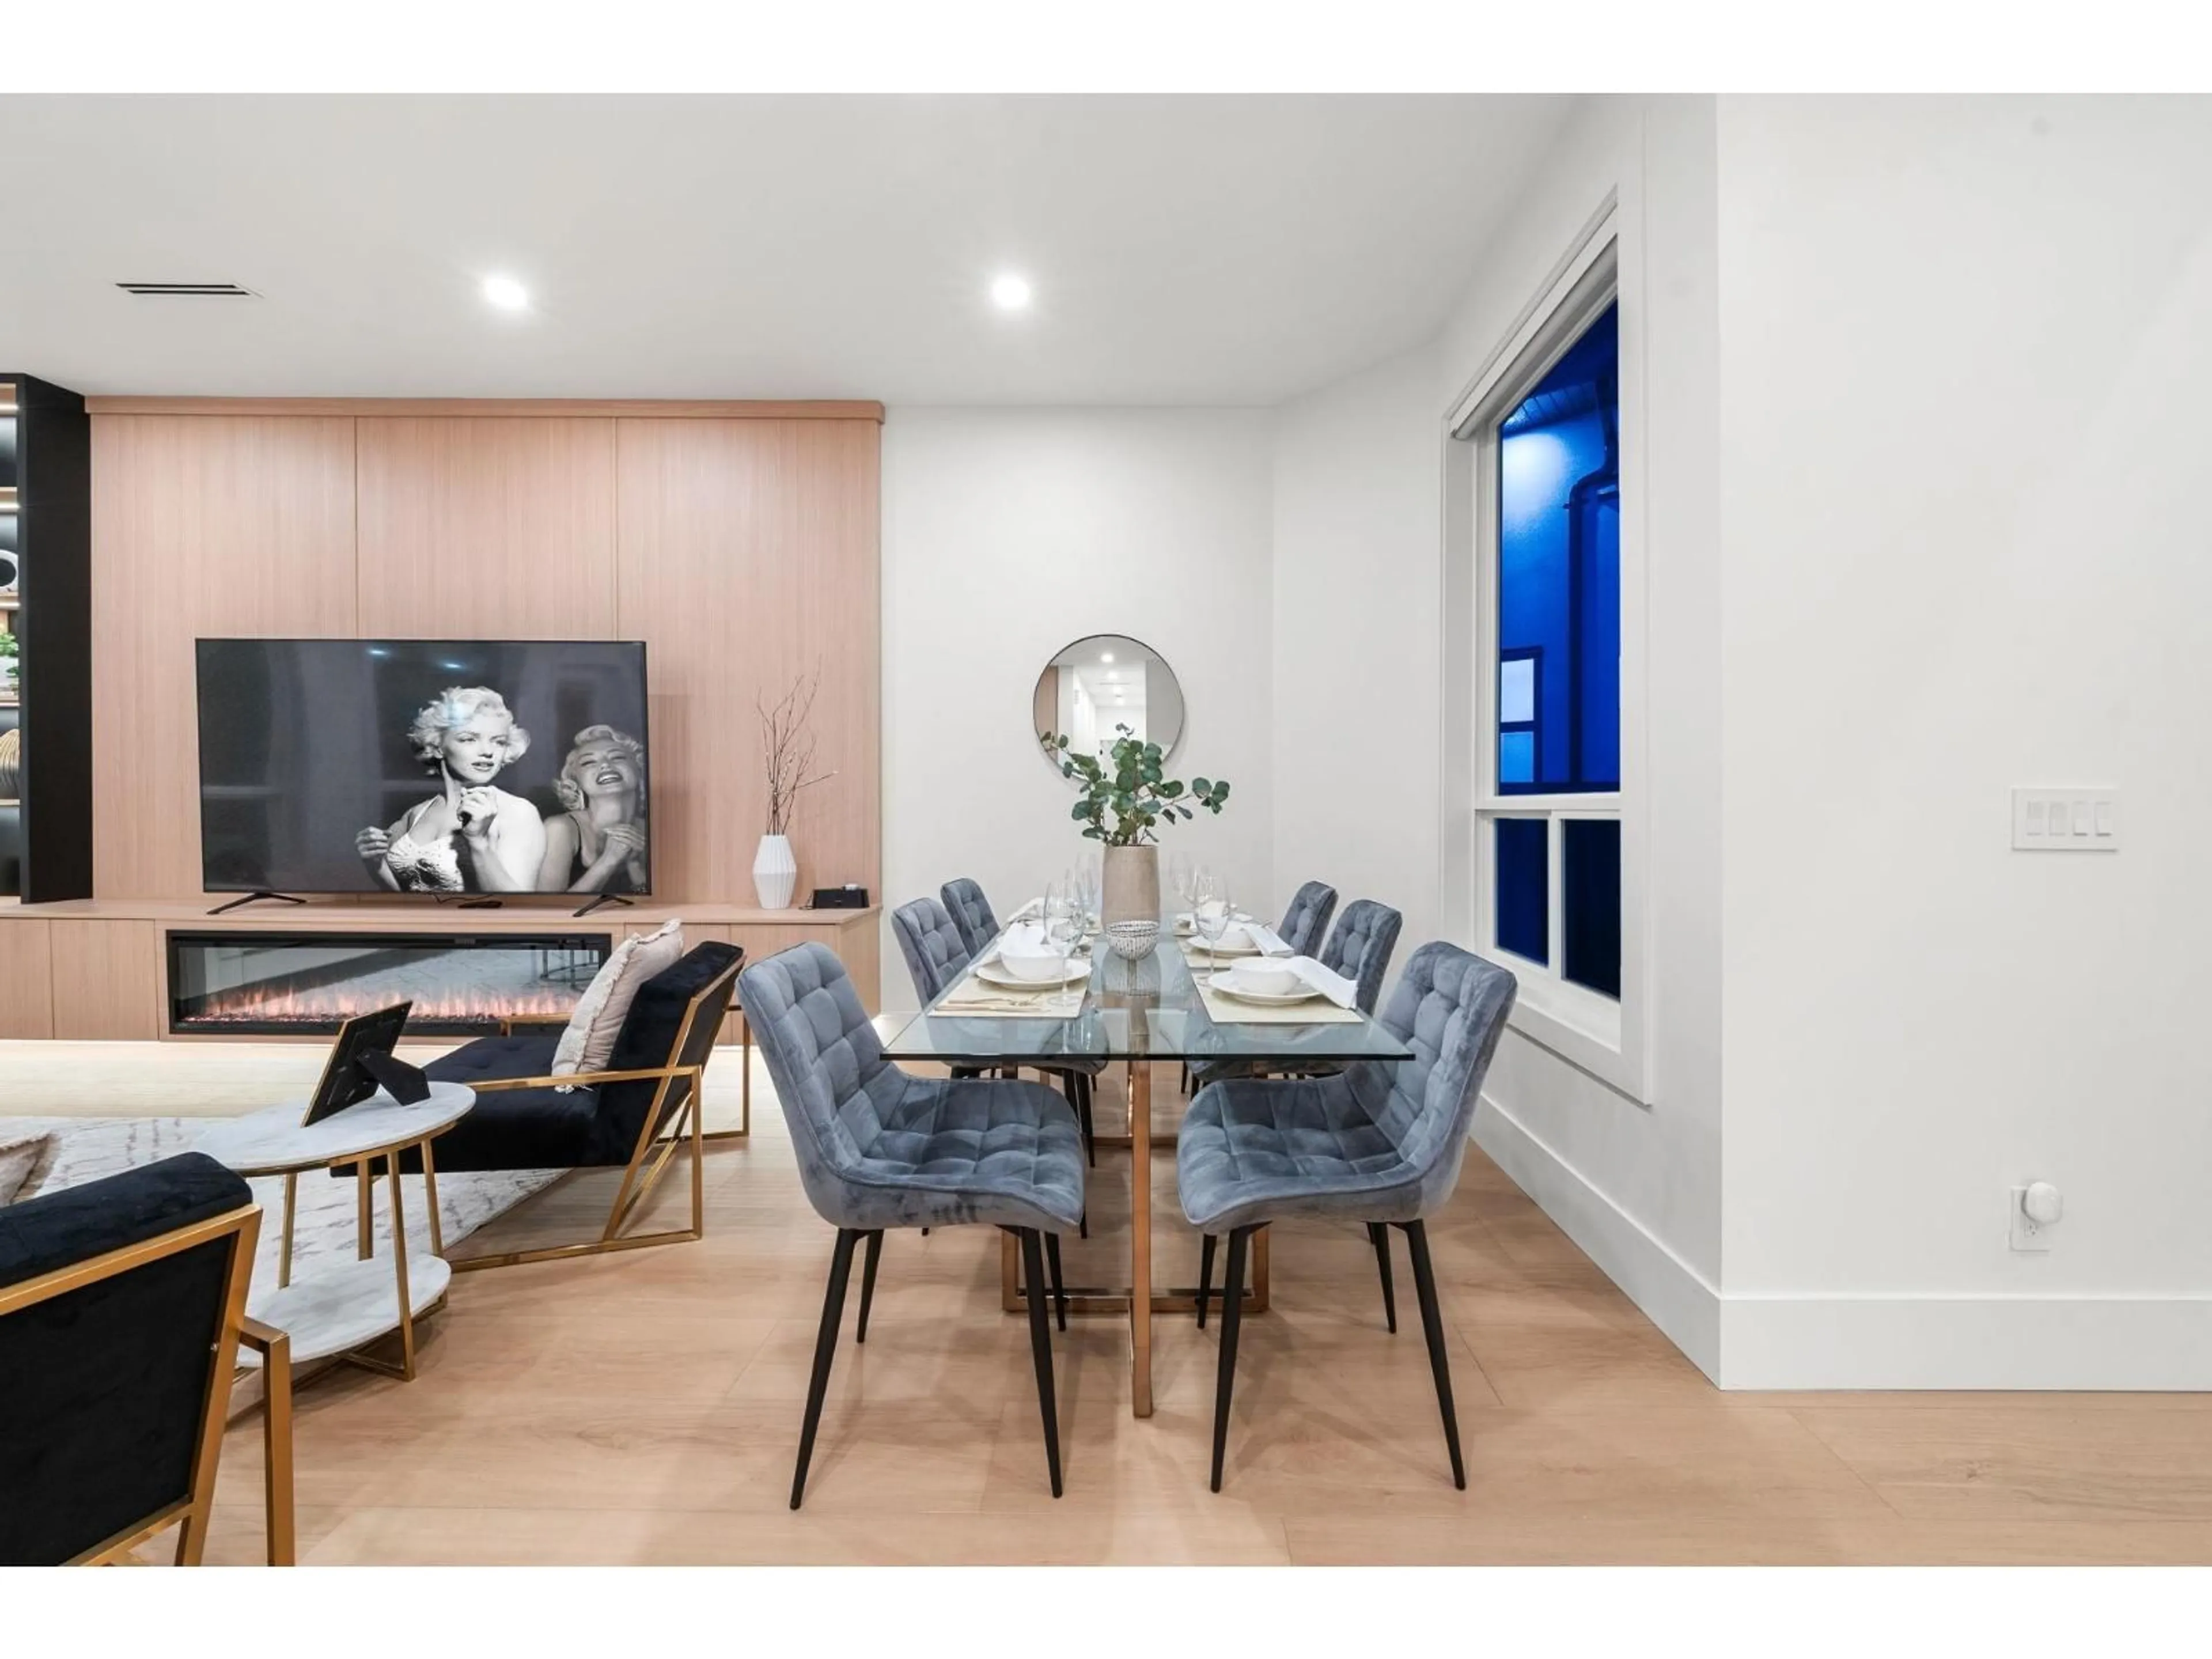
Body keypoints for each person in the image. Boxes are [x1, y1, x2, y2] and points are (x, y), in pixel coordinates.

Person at [356, 687, 546, 893]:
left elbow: (516, 907)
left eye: (498, 742)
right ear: (437, 747)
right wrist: (376, 866)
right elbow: (406, 897)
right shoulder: (416, 814)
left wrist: (479, 843)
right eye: (469, 739)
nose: (488, 752)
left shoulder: (518, 812)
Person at [537, 724, 649, 893]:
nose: (605, 765)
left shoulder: (653, 830)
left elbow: (658, 903)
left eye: (617, 757)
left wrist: (635, 866)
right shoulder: (561, 828)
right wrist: (609, 860)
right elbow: (547, 905)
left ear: (639, 769)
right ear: (576, 781)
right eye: (589, 762)